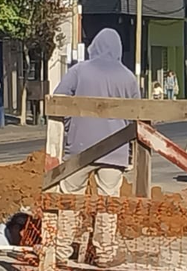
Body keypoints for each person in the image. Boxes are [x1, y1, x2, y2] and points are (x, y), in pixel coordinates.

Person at [53, 28, 140, 197]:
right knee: (108, 199)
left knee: (71, 195)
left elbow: (58, 100)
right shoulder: (129, 78)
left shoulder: (78, 71)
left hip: (79, 146)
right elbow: (136, 116)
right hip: (116, 150)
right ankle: (105, 224)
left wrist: (70, 124)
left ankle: (70, 224)